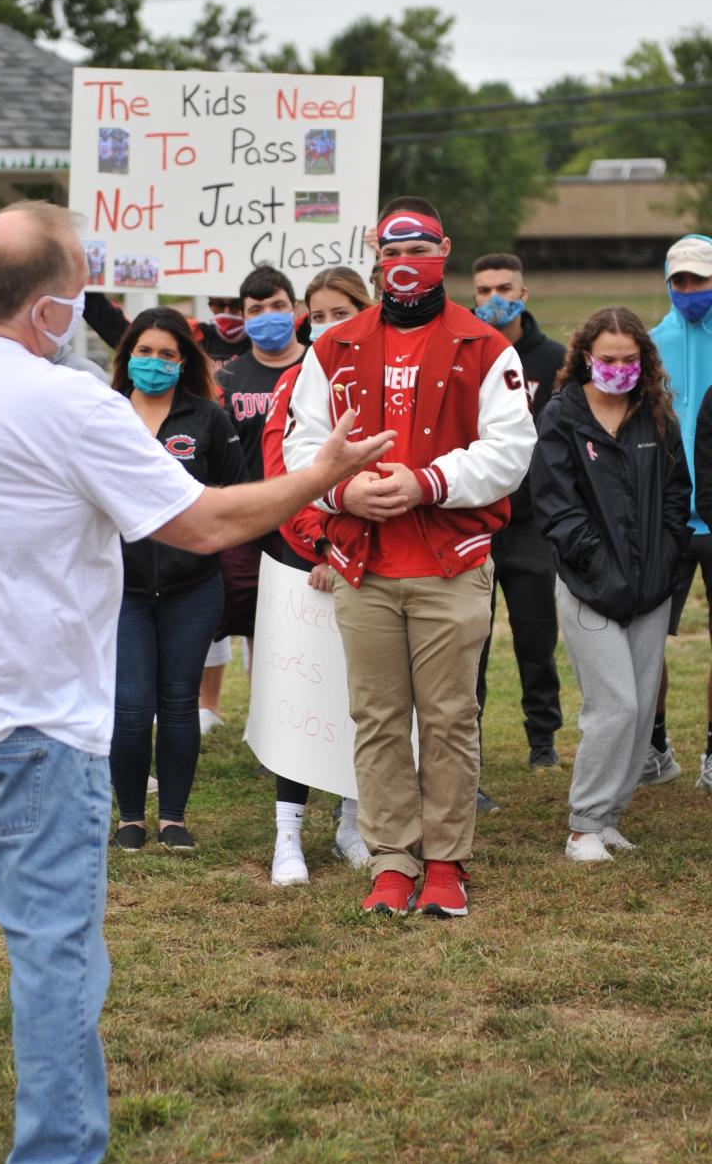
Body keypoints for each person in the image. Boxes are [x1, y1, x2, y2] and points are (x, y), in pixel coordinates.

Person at [0, 200, 395, 1164]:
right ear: (55, 310)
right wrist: (320, 473)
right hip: (38, 726)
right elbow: (202, 522)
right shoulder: (69, 404)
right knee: (58, 953)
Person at [284, 198, 535, 918]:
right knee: (377, 717)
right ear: (374, 250)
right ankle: (392, 859)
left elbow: (511, 449)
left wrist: (430, 481)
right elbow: (303, 442)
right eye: (392, 250)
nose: (404, 262)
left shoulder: (485, 345)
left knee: (451, 715)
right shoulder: (333, 345)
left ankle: (447, 860)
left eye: (420, 248)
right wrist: (344, 489)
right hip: (366, 564)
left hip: (449, 562)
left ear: (444, 250)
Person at [530, 307, 690, 862]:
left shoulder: (655, 416)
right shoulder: (562, 417)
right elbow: (554, 505)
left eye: (629, 359)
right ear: (586, 358)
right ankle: (584, 825)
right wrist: (599, 565)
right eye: (608, 359)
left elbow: (676, 493)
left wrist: (668, 557)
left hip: (652, 587)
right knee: (614, 705)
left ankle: (611, 817)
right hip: (589, 588)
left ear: (642, 361)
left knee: (643, 707)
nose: (619, 368)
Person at [108, 308, 248, 852]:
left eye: (168, 354)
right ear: (127, 357)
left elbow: (235, 496)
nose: (155, 363)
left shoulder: (208, 418)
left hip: (193, 588)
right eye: (145, 352)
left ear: (184, 361)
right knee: (131, 704)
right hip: (122, 589)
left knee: (178, 701)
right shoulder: (106, 414)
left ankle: (172, 817)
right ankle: (128, 820)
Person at [261, 267, 375, 884]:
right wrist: (324, 544)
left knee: (367, 700)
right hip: (305, 564)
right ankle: (288, 838)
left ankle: (352, 823)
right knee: (302, 703)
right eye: (319, 313)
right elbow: (284, 474)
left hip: (375, 564)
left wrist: (354, 547)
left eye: (342, 311)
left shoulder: (387, 377)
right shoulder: (292, 382)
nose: (329, 324)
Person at [471, 253, 566, 801]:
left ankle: (543, 740)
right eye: (483, 289)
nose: (493, 298)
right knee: (468, 642)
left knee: (536, 634)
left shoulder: (551, 359)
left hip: (529, 523)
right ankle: (470, 748)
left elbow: (553, 447)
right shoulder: (466, 351)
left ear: (524, 293)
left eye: (504, 287)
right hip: (472, 517)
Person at [214, 265, 306, 663]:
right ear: (244, 317)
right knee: (253, 616)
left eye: (277, 305)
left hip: (306, 513)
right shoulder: (228, 376)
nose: (268, 315)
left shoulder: (318, 367)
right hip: (248, 515)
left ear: (295, 308)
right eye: (256, 309)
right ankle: (262, 716)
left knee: (302, 613)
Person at [646, 234, 712, 789]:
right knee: (647, 637)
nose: (690, 291)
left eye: (700, 280)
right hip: (664, 518)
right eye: (680, 281)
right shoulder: (650, 344)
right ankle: (656, 744)